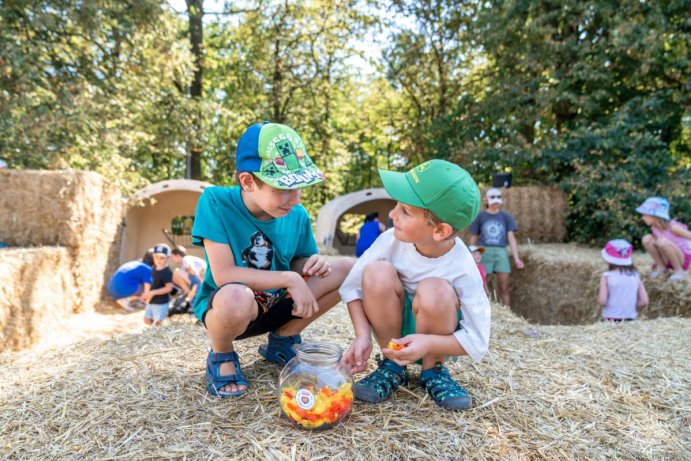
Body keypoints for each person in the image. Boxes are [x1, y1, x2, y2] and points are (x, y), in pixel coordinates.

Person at [191, 121, 354, 398]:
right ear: (248, 181)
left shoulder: (298, 214)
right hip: (233, 309)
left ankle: (283, 338)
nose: (294, 198)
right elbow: (224, 274)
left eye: (299, 186)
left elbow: (298, 261)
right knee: (234, 297)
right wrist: (290, 278)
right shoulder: (215, 201)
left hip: (277, 304)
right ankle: (222, 353)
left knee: (349, 269)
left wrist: (309, 265)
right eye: (282, 187)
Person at [339, 159, 490, 411]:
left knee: (435, 291)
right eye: (397, 206)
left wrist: (429, 343)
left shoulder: (463, 267)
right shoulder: (390, 240)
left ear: (440, 230)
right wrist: (362, 335)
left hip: (438, 333)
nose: (391, 214)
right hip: (394, 326)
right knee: (376, 272)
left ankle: (434, 370)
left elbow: (477, 340)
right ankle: (393, 364)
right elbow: (350, 287)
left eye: (405, 211)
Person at [468, 188, 524, 307]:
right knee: (481, 284)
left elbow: (511, 237)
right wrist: (471, 254)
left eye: (498, 197)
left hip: (501, 252)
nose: (495, 200)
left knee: (504, 287)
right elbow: (474, 237)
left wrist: (516, 258)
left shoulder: (506, 216)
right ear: (487, 199)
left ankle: (507, 313)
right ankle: (483, 310)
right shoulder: (480, 216)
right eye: (492, 197)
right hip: (484, 250)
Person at [636, 197, 691, 283]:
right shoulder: (654, 228)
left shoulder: (673, 227)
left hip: (683, 260)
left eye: (645, 215)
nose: (642, 218)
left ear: (655, 216)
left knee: (662, 241)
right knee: (647, 239)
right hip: (669, 260)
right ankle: (661, 267)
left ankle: (679, 271)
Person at [597, 239, 649, 321]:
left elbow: (602, 301)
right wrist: (628, 306)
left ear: (608, 259)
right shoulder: (635, 275)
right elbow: (644, 301)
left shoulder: (607, 276)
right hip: (630, 318)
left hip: (610, 318)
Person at [141, 244, 174, 326]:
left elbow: (169, 288)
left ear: (168, 258)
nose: (158, 260)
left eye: (162, 258)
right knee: (146, 319)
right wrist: (146, 293)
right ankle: (153, 331)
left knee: (158, 323)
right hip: (151, 301)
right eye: (156, 257)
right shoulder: (152, 269)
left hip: (161, 303)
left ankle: (157, 331)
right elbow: (149, 282)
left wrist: (153, 292)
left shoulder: (167, 272)